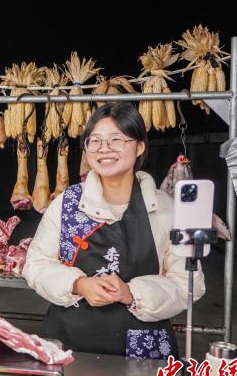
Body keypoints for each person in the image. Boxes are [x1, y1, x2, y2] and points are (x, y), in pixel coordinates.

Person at [24, 102, 206, 359]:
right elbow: (36, 264)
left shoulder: (167, 209)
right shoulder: (67, 203)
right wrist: (78, 284)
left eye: (116, 140)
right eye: (95, 141)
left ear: (139, 146)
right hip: (70, 342)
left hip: (144, 348)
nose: (104, 149)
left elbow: (189, 282)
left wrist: (132, 293)